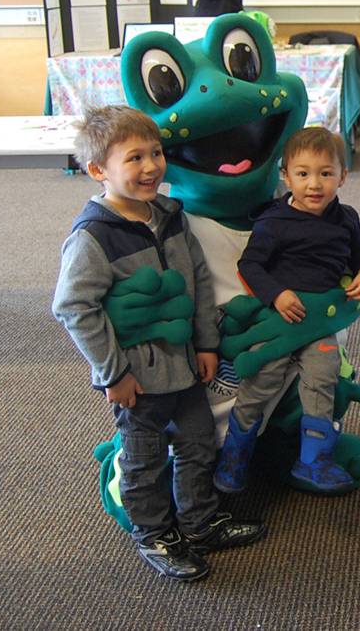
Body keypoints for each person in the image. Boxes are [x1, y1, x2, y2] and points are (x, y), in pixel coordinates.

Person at [52, 106, 267, 582]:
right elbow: (73, 307)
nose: (151, 166)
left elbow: (199, 281)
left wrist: (206, 343)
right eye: (134, 158)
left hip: (185, 365)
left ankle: (199, 522)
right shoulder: (93, 236)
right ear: (98, 171)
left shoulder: (170, 216)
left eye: (155, 153)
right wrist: (113, 373)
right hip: (138, 378)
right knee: (145, 459)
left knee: (198, 444)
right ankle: (153, 534)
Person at [214, 126, 360, 494]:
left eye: (325, 173)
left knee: (323, 377)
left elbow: (357, 253)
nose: (314, 184)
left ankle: (314, 459)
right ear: (286, 176)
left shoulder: (346, 217)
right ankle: (235, 456)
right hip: (281, 323)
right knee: (262, 382)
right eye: (303, 174)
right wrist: (277, 295)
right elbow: (250, 265)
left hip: (318, 327)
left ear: (342, 176)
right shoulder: (274, 221)